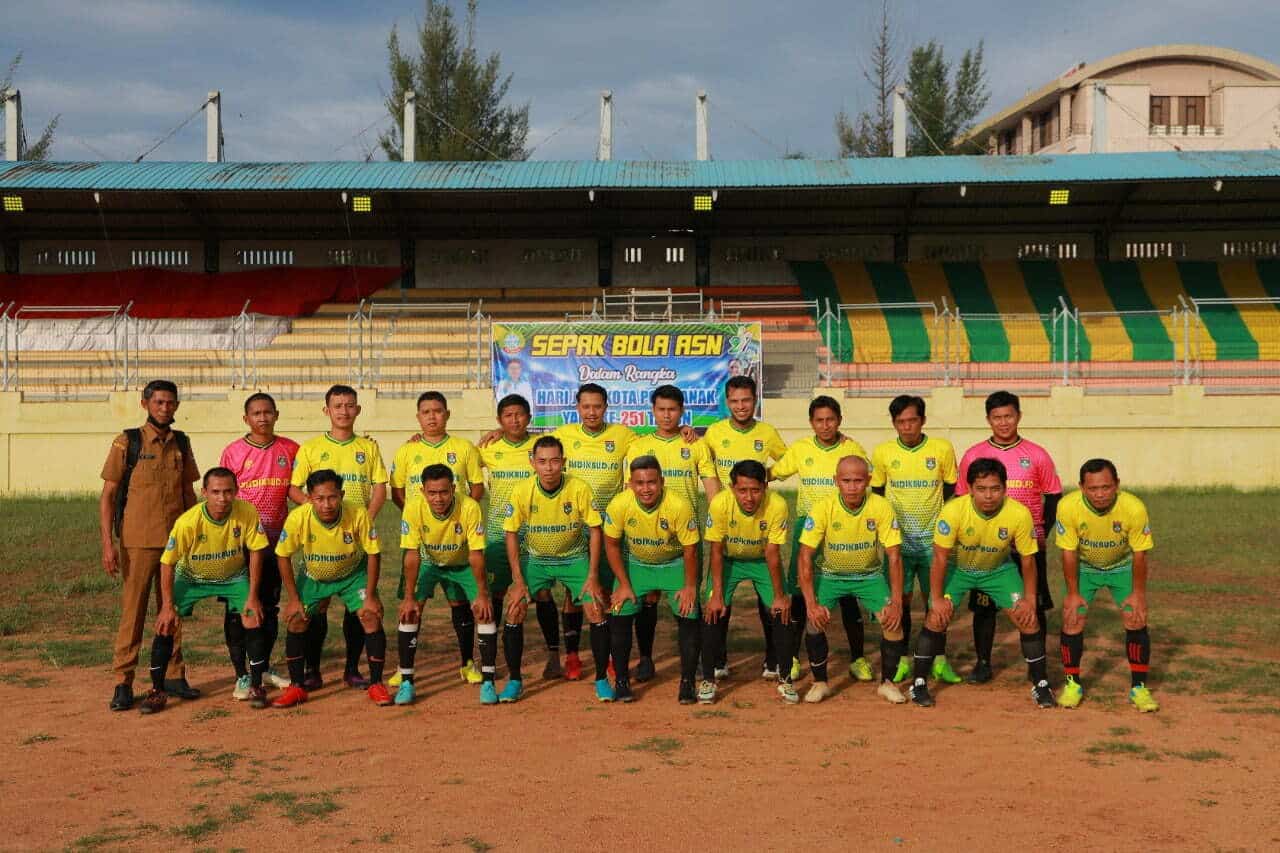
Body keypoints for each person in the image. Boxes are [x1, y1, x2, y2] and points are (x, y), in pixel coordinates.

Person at [908, 458, 1055, 709]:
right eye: (981, 489)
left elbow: (1028, 561)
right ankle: (918, 683)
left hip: (998, 570)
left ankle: (1041, 685)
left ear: (1005, 488)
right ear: (970, 488)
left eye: (995, 488)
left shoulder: (1018, 513)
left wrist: (1030, 600)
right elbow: (940, 557)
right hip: (958, 569)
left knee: (1028, 619)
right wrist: (937, 599)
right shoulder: (954, 510)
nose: (989, 496)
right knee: (936, 618)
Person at [99, 379, 201, 712]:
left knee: (171, 610)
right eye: (158, 402)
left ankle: (172, 674)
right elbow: (109, 495)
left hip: (174, 543)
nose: (165, 408)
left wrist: (194, 537)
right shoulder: (127, 442)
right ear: (145, 404)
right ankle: (123, 681)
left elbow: (188, 494)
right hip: (137, 543)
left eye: (171, 403)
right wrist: (107, 544)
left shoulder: (181, 443)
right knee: (134, 613)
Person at [138, 468, 271, 714]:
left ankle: (256, 685)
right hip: (192, 578)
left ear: (236, 491)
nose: (222, 498)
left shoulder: (246, 512)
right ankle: (157, 691)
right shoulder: (188, 521)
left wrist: (252, 596)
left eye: (228, 491)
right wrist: (167, 606)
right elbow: (167, 562)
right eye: (216, 492)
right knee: (166, 624)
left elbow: (256, 551)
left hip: (233, 576)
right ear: (204, 493)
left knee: (252, 618)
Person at [956, 390, 1062, 684]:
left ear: (1019, 416)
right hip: (986, 546)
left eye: (1009, 416)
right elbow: (961, 500)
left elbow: (1053, 496)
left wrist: (1041, 531)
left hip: (1027, 544)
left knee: (1035, 604)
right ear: (988, 419)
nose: (1003, 423)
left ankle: (1035, 664)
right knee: (984, 606)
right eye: (997, 417)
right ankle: (983, 662)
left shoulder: (1037, 454)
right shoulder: (974, 455)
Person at [289, 384, 388, 691]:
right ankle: (313, 669)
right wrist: (316, 516)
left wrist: (365, 521)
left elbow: (379, 487)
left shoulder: (368, 447)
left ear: (357, 410)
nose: (344, 411)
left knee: (355, 608)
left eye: (349, 405)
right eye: (338, 406)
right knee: (316, 608)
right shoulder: (311, 448)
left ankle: (352, 669)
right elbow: (294, 489)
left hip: (356, 539)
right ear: (327, 411)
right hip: (321, 541)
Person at [622, 385, 720, 683]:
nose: (667, 415)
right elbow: (630, 490)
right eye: (661, 409)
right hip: (648, 536)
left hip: (685, 537)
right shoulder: (638, 447)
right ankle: (647, 658)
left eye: (673, 410)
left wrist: (721, 520)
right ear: (653, 411)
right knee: (648, 598)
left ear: (682, 411)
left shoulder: (696, 445)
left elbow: (712, 487)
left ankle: (698, 662)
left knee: (689, 600)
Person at [388, 391, 486, 687]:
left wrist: (457, 517)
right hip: (425, 546)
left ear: (448, 414)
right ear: (418, 416)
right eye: (426, 412)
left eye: (438, 411)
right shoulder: (406, 451)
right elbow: (398, 493)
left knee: (460, 605)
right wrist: (422, 521)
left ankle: (467, 663)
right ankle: (403, 668)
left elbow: (477, 488)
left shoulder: (464, 448)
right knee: (413, 605)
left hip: (458, 544)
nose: (432, 416)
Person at [501, 436, 609, 703]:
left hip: (573, 558)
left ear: (563, 462)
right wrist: (517, 580)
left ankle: (602, 679)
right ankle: (515, 680)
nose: (548, 467)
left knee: (595, 606)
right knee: (514, 608)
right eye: (542, 462)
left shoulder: (579, 488)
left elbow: (596, 530)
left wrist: (593, 576)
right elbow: (511, 533)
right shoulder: (522, 490)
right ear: (532, 463)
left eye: (554, 461)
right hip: (537, 559)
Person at [770, 395, 867, 683]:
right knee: (801, 594)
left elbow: (867, 481)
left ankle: (858, 658)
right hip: (808, 528)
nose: (825, 425)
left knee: (848, 593)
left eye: (830, 419)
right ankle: (792, 658)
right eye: (819, 420)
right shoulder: (801, 449)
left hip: (845, 529)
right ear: (811, 422)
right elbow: (772, 473)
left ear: (839, 420)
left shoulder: (852, 449)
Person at [272, 469, 389, 708]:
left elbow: (373, 553)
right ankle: (297, 687)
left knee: (370, 616)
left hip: (352, 574)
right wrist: (294, 599)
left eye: (332, 497)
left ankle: (377, 684)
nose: (326, 504)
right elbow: (283, 556)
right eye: (319, 498)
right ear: (309, 497)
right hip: (314, 576)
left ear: (342, 494)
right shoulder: (299, 517)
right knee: (296, 618)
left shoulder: (357, 513)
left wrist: (370, 595)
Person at [796, 455, 907, 704]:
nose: (853, 486)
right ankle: (820, 682)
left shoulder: (880, 506)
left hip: (869, 576)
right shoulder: (823, 508)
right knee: (815, 621)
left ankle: (887, 683)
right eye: (846, 480)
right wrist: (811, 604)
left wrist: (896, 602)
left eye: (859, 480)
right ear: (836, 481)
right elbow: (805, 556)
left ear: (868, 480)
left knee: (892, 622)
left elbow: (894, 556)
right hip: (830, 575)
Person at [1055, 459, 1158, 712]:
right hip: (1085, 568)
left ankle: (1139, 688)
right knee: (1072, 619)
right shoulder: (1068, 506)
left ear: (1117, 485)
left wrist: (1138, 595)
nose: (1100, 494)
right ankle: (1072, 684)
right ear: (1081, 487)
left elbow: (1140, 554)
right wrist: (1072, 594)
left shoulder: (1133, 507)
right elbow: (1068, 552)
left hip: (1122, 566)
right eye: (1092, 488)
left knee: (1135, 618)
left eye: (1106, 487)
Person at [702, 375, 787, 681]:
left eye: (746, 400)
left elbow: (788, 458)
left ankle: (773, 660)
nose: (741, 406)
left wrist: (767, 478)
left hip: (758, 515)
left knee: (771, 603)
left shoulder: (767, 432)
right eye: (735, 401)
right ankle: (718, 660)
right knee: (718, 598)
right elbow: (702, 459)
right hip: (727, 518)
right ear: (727, 402)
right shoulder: (714, 432)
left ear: (755, 400)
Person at [870, 394, 959, 684]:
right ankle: (903, 661)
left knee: (936, 601)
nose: (907, 427)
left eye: (912, 420)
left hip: (935, 544)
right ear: (894, 423)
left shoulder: (942, 449)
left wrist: (943, 532)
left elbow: (950, 493)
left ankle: (940, 660)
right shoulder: (883, 453)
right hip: (899, 544)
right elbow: (878, 496)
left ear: (922, 420)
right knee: (902, 601)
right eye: (901, 422)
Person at [218, 392, 298, 699]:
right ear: (246, 418)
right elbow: (222, 495)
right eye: (256, 413)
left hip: (276, 544)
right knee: (238, 608)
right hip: (240, 545)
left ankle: (262, 666)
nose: (262, 418)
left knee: (270, 607)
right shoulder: (233, 452)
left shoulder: (290, 449)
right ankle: (241, 674)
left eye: (268, 412)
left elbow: (298, 487)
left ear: (276, 414)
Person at [395, 465, 497, 705]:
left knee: (484, 612)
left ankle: (489, 681)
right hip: (429, 562)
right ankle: (407, 681)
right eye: (432, 493)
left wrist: (482, 594)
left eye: (443, 492)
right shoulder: (413, 508)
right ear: (422, 491)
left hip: (462, 564)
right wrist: (410, 596)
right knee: (409, 613)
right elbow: (411, 554)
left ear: (453, 489)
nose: (438, 498)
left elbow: (476, 553)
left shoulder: (470, 507)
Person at [604, 455, 702, 704]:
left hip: (674, 564)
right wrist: (624, 584)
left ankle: (687, 682)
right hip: (637, 565)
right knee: (620, 610)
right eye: (639, 483)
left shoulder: (678, 505)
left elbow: (691, 549)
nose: (646, 489)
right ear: (630, 484)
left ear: (662, 481)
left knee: (689, 612)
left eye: (651, 482)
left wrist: (690, 586)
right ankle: (623, 681)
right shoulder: (619, 504)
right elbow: (612, 545)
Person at [700, 460, 793, 705]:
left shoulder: (778, 504)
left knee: (781, 612)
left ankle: (785, 678)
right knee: (713, 610)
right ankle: (708, 678)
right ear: (732, 488)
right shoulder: (720, 503)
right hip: (729, 560)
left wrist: (780, 596)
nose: (749, 497)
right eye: (742, 490)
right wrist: (717, 595)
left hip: (762, 560)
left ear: (765, 486)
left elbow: (773, 554)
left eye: (755, 490)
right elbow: (716, 551)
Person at [477, 395, 541, 678]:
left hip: (535, 533)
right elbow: (456, 460)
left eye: (519, 414)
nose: (514, 420)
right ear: (500, 420)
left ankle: (554, 655)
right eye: (508, 416)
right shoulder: (489, 448)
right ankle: (488, 660)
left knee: (542, 592)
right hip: (497, 534)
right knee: (496, 594)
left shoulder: (541, 447)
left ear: (529, 417)